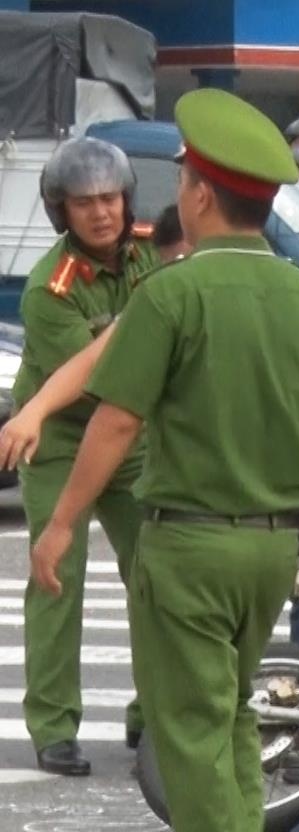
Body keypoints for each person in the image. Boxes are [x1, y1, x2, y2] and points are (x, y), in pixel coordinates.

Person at [25, 87, 299, 832]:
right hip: (272, 552)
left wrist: (61, 521)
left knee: (186, 729)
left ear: (196, 194)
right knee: (227, 711)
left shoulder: (170, 293)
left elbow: (115, 422)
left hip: (187, 545)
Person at [10, 138, 158, 775]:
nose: (101, 213)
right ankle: (52, 725)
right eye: (84, 203)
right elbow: (97, 377)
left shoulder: (152, 251)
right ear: (60, 211)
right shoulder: (50, 288)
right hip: (64, 439)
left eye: (110, 198)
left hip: (131, 435)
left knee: (154, 575)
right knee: (55, 576)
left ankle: (152, 714)